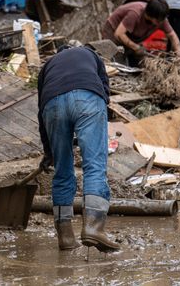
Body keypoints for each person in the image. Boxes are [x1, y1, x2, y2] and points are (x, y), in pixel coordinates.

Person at [37, 45, 120, 252]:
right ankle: (93, 227)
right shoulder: (91, 54)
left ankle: (65, 236)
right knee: (94, 166)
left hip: (52, 106)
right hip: (88, 97)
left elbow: (41, 114)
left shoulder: (47, 66)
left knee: (62, 171)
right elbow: (104, 91)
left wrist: (49, 153)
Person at [102, 0, 180, 66]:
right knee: (114, 61)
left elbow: (173, 36)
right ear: (151, 16)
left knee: (137, 62)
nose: (161, 22)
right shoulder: (135, 13)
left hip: (131, 35)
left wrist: (178, 55)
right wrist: (136, 47)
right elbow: (118, 34)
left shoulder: (161, 19)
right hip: (114, 31)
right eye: (158, 20)